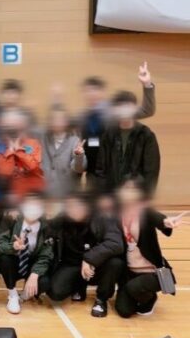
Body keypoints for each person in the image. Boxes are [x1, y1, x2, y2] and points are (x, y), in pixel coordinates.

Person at [78, 62, 156, 190]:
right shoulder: (81, 117)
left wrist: (147, 84)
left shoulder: (114, 112)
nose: (92, 94)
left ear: (102, 92)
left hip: (113, 175)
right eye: (88, 91)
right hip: (92, 175)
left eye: (95, 90)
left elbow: (147, 110)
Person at [48, 193, 124, 317]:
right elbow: (44, 228)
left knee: (115, 263)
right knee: (55, 293)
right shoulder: (61, 219)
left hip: (97, 265)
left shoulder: (101, 217)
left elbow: (116, 243)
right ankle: (79, 286)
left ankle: (101, 300)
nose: (75, 209)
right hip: (72, 264)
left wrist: (89, 259)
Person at [114, 179, 182, 318]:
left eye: (133, 190)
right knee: (123, 311)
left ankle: (150, 299)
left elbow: (158, 218)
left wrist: (166, 222)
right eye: (125, 189)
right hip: (130, 272)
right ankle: (137, 292)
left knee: (134, 288)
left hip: (152, 271)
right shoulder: (117, 214)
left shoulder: (145, 212)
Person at [0, 193, 53, 314]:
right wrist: (13, 246)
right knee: (4, 259)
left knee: (45, 282)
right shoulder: (11, 219)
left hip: (31, 264)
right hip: (14, 262)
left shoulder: (47, 227)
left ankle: (25, 294)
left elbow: (46, 255)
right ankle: (13, 295)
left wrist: (35, 274)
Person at [95, 91, 160, 196]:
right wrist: (103, 195)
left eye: (128, 106)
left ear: (135, 108)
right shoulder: (108, 135)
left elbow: (151, 170)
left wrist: (144, 194)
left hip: (136, 195)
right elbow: (101, 170)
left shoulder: (146, 135)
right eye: (121, 107)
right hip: (112, 195)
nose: (124, 110)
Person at [0, 109, 44, 201]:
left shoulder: (33, 144)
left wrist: (18, 150)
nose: (13, 133)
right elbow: (4, 172)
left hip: (35, 193)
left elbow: (33, 167)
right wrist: (10, 150)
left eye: (15, 128)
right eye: (9, 129)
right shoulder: (1, 147)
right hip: (15, 195)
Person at [41, 106, 86, 199]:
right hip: (45, 196)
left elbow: (79, 169)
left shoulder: (74, 141)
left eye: (61, 119)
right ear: (49, 121)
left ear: (66, 122)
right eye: (54, 119)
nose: (57, 122)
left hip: (67, 195)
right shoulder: (42, 140)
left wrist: (79, 156)